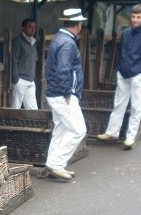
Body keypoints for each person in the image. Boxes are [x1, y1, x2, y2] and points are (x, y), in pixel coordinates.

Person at [96, 4, 141, 149]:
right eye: (133, 16)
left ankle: (130, 137)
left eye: (138, 17)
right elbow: (121, 51)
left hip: (137, 75)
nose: (135, 20)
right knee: (119, 103)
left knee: (136, 107)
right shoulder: (125, 33)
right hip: (123, 73)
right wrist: (119, 68)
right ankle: (112, 132)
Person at [44, 8, 88, 181]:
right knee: (78, 130)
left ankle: (53, 163)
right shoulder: (68, 43)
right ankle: (57, 164)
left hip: (57, 92)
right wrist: (67, 92)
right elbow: (64, 69)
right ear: (78, 24)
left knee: (61, 130)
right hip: (63, 94)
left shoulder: (59, 39)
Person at [11, 18, 39, 109]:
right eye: (30, 27)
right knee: (15, 108)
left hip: (31, 80)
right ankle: (10, 123)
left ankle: (32, 124)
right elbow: (13, 60)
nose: (33, 29)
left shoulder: (33, 42)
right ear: (23, 28)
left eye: (34, 27)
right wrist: (16, 79)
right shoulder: (18, 41)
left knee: (33, 110)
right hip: (20, 80)